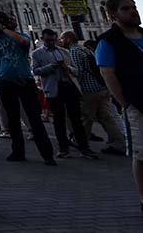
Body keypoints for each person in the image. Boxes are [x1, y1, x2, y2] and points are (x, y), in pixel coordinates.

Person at [96, 0, 143, 224]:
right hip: (138, 103)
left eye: (134, 7)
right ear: (113, 15)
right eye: (125, 8)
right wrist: (125, 103)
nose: (133, 11)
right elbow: (107, 73)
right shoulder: (108, 41)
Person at [0, 11, 55, 165]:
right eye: (9, 19)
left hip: (24, 81)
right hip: (5, 82)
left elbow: (23, 42)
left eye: (11, 20)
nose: (11, 21)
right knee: (13, 120)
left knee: (34, 118)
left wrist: (3, 29)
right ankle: (18, 152)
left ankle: (47, 154)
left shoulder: (22, 36)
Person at [32, 27, 97, 159]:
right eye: (48, 40)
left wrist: (68, 68)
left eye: (53, 40)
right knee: (58, 120)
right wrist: (51, 67)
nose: (51, 42)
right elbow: (36, 71)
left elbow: (77, 70)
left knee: (76, 119)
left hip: (69, 87)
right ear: (43, 39)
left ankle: (84, 148)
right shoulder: (36, 54)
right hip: (54, 89)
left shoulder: (65, 52)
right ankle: (63, 148)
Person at [65, 31, 126, 155]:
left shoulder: (74, 52)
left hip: (89, 90)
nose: (61, 41)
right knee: (107, 118)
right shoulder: (85, 49)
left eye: (62, 39)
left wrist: (68, 71)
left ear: (68, 39)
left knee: (86, 119)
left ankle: (81, 143)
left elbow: (79, 73)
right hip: (101, 88)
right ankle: (119, 144)